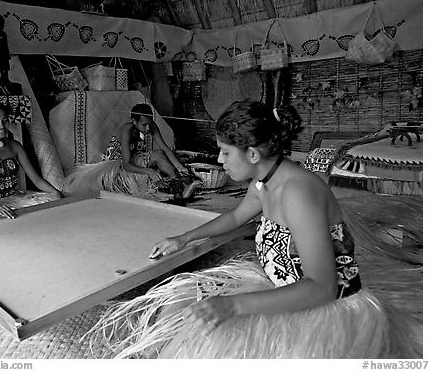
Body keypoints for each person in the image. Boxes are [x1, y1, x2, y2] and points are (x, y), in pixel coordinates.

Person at [84, 100, 421, 359]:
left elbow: (322, 287)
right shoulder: (265, 181)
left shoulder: (298, 193)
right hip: (283, 287)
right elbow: (235, 217)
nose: (219, 160)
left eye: (225, 152)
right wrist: (183, 238)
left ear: (253, 153)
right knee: (184, 313)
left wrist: (233, 306)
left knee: (217, 339)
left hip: (319, 308)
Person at [64, 103, 200, 200]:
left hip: (134, 159)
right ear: (134, 121)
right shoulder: (126, 130)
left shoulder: (151, 125)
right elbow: (126, 165)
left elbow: (165, 148)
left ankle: (182, 186)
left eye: (149, 123)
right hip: (117, 165)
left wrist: (180, 168)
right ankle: (173, 193)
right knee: (149, 176)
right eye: (144, 125)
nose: (147, 129)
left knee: (159, 154)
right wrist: (149, 171)